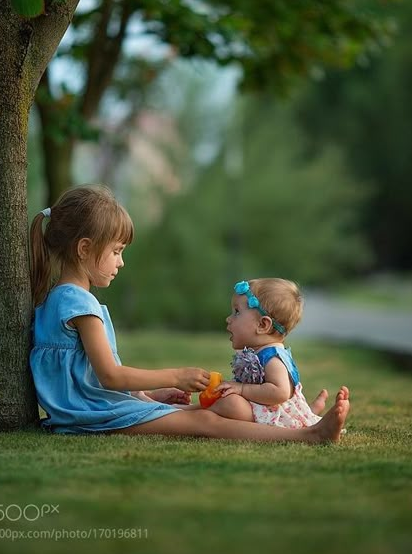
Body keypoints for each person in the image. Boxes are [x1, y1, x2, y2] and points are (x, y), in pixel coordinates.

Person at [29, 184, 349, 443]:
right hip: (89, 415)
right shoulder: (79, 304)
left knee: (204, 416)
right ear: (84, 249)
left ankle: (302, 426)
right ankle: (306, 435)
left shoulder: (60, 298)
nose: (120, 262)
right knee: (206, 420)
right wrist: (176, 375)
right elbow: (110, 376)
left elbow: (85, 376)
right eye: (116, 252)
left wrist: (150, 395)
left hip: (86, 408)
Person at [207, 279, 332, 429]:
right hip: (266, 408)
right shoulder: (259, 352)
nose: (228, 319)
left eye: (237, 312)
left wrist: (241, 389)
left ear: (262, 325)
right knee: (228, 400)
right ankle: (308, 413)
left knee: (231, 404)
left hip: (273, 411)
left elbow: (280, 392)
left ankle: (305, 416)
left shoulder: (273, 358)